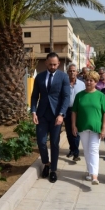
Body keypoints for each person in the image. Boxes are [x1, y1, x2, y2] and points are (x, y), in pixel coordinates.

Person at [30, 52, 70, 183]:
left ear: (58, 64)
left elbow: (66, 97)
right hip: (41, 115)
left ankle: (53, 170)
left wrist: (61, 114)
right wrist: (34, 112)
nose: (53, 66)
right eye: (50, 64)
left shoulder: (63, 77)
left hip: (56, 116)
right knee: (41, 142)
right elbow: (35, 96)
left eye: (55, 64)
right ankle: (46, 164)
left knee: (54, 143)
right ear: (46, 63)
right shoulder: (40, 77)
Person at [72, 71, 105, 185]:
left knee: (93, 150)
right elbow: (74, 112)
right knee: (87, 150)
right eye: (87, 80)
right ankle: (89, 172)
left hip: (96, 127)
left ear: (96, 82)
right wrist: (73, 125)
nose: (88, 82)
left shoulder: (101, 95)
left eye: (91, 80)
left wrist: (104, 128)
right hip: (82, 126)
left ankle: (94, 175)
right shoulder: (79, 95)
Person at [64, 64, 85, 161]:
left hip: (78, 110)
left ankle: (76, 153)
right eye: (70, 71)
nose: (72, 72)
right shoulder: (64, 83)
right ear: (67, 72)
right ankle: (72, 149)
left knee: (75, 131)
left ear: (77, 72)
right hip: (67, 110)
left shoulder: (82, 84)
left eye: (74, 71)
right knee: (69, 131)